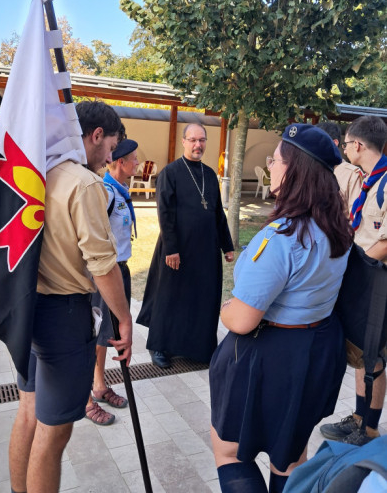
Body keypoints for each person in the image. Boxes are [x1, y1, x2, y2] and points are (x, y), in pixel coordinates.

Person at [209, 123, 354, 493]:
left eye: (275, 160)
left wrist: (226, 308)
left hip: (272, 358)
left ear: (294, 171)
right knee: (289, 455)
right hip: (317, 349)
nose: (271, 165)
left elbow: (242, 320)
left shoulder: (283, 236)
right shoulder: (337, 228)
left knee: (229, 452)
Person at [8, 101, 133, 493]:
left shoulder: (37, 169)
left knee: (28, 411)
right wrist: (124, 318)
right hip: (62, 315)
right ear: (96, 136)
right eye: (110, 146)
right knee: (53, 433)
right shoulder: (84, 183)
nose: (111, 157)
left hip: (27, 308)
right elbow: (103, 266)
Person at [137, 122, 234, 368]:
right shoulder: (170, 173)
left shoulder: (209, 175)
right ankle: (159, 346)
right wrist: (171, 249)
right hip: (177, 250)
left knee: (202, 297)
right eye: (193, 140)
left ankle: (197, 348)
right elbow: (165, 213)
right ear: (184, 142)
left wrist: (227, 245)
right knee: (170, 297)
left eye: (201, 140)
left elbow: (217, 214)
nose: (197, 145)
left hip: (205, 250)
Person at [320, 115, 387, 447]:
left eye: (346, 143)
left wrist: (354, 269)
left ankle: (369, 428)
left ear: (358, 145)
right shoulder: (369, 181)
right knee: (362, 351)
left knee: (374, 354)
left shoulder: (386, 184)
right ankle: (360, 418)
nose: (344, 149)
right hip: (364, 277)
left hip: (377, 280)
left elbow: (386, 243)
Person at [85, 137, 139, 426]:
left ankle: (99, 385)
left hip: (120, 271)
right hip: (104, 274)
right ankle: (85, 399)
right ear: (121, 162)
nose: (138, 163)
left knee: (105, 334)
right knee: (92, 334)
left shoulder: (120, 190)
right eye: (134, 159)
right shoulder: (105, 193)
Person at [316, 121, 364, 214]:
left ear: (334, 143)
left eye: (318, 142)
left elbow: (355, 215)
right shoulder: (311, 169)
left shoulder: (352, 174)